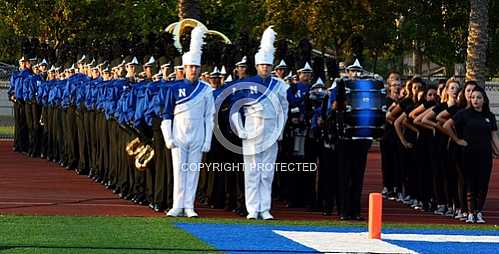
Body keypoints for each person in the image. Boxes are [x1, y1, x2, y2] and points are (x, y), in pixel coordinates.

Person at [230, 26, 289, 220]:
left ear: (272, 67)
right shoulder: (246, 83)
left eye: (268, 65)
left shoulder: (279, 85)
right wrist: (240, 130)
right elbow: (235, 109)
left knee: (267, 172)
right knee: (252, 171)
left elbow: (284, 110)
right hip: (252, 129)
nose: (265, 68)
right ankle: (252, 208)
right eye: (262, 65)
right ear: (256, 66)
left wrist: (280, 130)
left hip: (271, 130)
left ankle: (265, 208)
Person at [161, 26, 215, 217]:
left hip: (198, 135)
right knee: (179, 170)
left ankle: (189, 206)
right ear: (184, 69)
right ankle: (177, 205)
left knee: (193, 172)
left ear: (200, 69)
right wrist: (168, 137)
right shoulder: (174, 88)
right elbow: (166, 115)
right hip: (179, 135)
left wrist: (208, 139)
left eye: (196, 67)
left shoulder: (206, 89)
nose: (193, 70)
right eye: (190, 67)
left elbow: (209, 116)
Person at [443, 86, 499, 223]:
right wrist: (457, 140)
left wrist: (497, 150)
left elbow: (494, 136)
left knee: (483, 183)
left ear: (484, 100)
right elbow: (446, 125)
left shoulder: (489, 117)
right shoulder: (463, 114)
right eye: (473, 97)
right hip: (468, 154)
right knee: (470, 183)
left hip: (485, 154)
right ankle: (469, 212)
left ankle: (478, 212)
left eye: (479, 98)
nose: (475, 100)